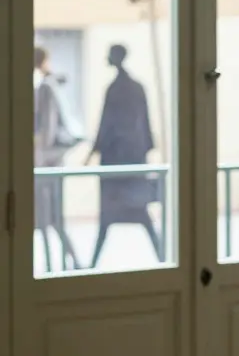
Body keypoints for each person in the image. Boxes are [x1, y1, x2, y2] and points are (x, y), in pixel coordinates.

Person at [86, 44, 162, 266]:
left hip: (118, 160)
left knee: (114, 213)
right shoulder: (137, 87)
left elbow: (106, 123)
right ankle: (162, 256)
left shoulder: (117, 89)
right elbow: (145, 126)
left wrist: (94, 151)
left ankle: (92, 264)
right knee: (136, 212)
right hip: (133, 158)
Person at [33, 44, 83, 271]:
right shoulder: (44, 86)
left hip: (47, 164)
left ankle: (64, 265)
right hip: (46, 163)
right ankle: (65, 264)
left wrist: (38, 159)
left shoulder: (46, 88)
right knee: (47, 218)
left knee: (49, 217)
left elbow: (47, 131)